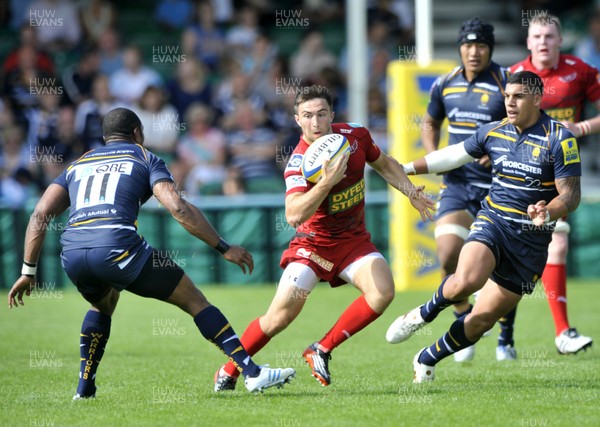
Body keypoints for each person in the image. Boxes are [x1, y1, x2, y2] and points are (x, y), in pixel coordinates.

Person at [7, 107, 296, 398]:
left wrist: (27, 271)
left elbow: (41, 212)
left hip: (73, 255)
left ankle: (84, 390)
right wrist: (223, 246)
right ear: (137, 134)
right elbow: (178, 207)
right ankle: (252, 372)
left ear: (105, 137)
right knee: (195, 300)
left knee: (103, 305)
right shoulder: (144, 156)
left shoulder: (78, 164)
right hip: (117, 248)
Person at [212, 85, 435, 391]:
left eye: (321, 114)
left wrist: (411, 192)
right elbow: (293, 215)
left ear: (332, 114)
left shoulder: (356, 137)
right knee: (279, 318)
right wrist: (326, 183)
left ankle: (321, 349)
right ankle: (228, 370)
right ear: (296, 119)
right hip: (312, 246)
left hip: (352, 241)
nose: (315, 122)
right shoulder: (298, 163)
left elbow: (384, 164)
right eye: (307, 116)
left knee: (382, 292)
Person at [385, 71, 582, 383]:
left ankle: (427, 357)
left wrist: (549, 208)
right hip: (494, 222)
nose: (510, 103)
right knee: (467, 280)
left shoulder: (559, 138)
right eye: (507, 97)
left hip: (530, 244)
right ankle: (421, 314)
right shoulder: (494, 131)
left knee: (482, 320)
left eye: (518, 97)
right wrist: (406, 168)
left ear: (536, 98)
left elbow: (570, 194)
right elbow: (453, 155)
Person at [419, 17, 511, 362]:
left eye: (481, 45)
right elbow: (431, 120)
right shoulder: (444, 83)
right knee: (447, 257)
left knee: (500, 265)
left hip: (499, 188)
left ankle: (506, 337)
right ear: (459, 48)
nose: (474, 52)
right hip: (458, 185)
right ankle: (463, 324)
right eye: (468, 45)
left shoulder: (506, 82)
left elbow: (525, 124)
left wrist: (500, 150)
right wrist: (434, 155)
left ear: (490, 49)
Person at [507, 14, 594, 355]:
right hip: (518, 173)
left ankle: (563, 333)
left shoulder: (581, 70)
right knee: (507, 254)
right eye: (537, 36)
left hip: (559, 173)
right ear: (528, 42)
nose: (543, 42)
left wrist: (581, 128)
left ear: (560, 40)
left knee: (556, 245)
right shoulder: (515, 76)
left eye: (549, 36)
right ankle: (496, 334)